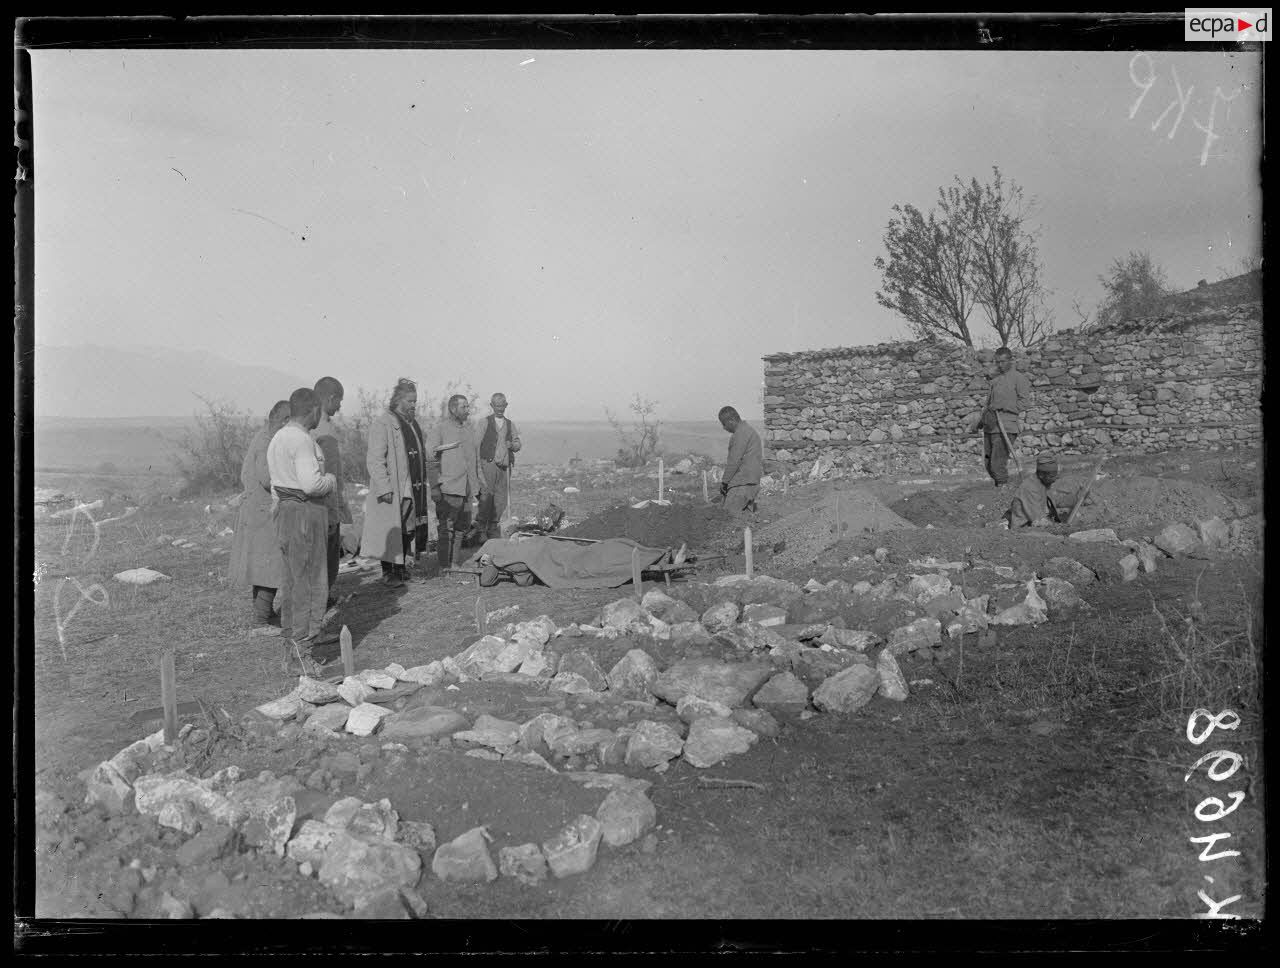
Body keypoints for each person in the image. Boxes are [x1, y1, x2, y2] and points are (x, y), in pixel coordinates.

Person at [266, 387, 338, 673]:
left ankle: (291, 648)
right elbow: (311, 485)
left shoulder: (279, 437)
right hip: (306, 512)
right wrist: (330, 480)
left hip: (286, 511)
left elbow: (275, 486)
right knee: (311, 581)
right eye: (318, 410)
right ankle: (303, 654)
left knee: (294, 582)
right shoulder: (302, 441)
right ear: (312, 410)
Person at [359, 378, 432, 588]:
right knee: (390, 528)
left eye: (415, 401)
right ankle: (388, 572)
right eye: (410, 401)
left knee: (407, 528)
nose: (413, 405)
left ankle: (401, 568)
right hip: (394, 488)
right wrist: (384, 487)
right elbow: (375, 459)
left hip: (411, 487)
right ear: (398, 400)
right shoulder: (384, 423)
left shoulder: (412, 423)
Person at [229, 399, 291, 627]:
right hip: (263, 513)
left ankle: (264, 613)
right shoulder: (268, 441)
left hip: (260, 511)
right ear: (285, 421)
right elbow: (267, 478)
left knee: (265, 566)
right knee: (270, 567)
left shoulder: (264, 435)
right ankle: (261, 618)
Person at [427, 393, 482, 570]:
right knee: (446, 529)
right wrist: (435, 487)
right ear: (453, 409)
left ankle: (454, 563)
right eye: (464, 407)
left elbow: (473, 460)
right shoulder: (440, 430)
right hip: (448, 488)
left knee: (461, 528)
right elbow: (430, 459)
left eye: (468, 406)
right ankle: (444, 567)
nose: (468, 410)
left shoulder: (469, 430)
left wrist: (477, 487)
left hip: (466, 488)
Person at [311, 376, 352, 607]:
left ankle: (323, 598)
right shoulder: (319, 428)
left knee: (330, 559)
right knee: (325, 559)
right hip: (324, 503)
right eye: (339, 401)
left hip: (332, 500)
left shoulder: (322, 425)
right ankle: (319, 603)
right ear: (330, 398)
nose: (339, 407)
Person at [980, 346, 1033, 489]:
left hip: (1007, 426)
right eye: (997, 362)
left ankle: (1003, 492)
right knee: (988, 463)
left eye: (1002, 362)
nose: (999, 365)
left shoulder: (1019, 379)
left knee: (997, 462)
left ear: (1011, 360)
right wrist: (981, 422)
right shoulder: (995, 380)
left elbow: (1024, 403)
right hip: (991, 426)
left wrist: (1004, 405)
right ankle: (1001, 488)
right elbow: (989, 404)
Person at [474, 392, 522, 540]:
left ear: (506, 405)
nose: (500, 408)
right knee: (486, 496)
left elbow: (518, 443)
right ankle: (481, 529)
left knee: (500, 498)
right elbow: (475, 445)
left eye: (502, 405)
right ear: (492, 406)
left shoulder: (510, 424)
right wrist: (477, 468)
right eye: (497, 406)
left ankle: (493, 527)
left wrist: (512, 445)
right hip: (488, 464)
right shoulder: (484, 422)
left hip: (504, 467)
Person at [717, 406, 763, 514]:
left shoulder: (740, 434)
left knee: (727, 518)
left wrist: (724, 482)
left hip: (742, 483)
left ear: (731, 420)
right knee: (743, 522)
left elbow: (734, 462)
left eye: (724, 424)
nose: (724, 428)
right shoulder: (748, 430)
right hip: (751, 482)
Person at [1006, 452, 1064, 528]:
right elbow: (1038, 520)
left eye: (1055, 475)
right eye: (1052, 476)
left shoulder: (1042, 484)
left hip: (1036, 523)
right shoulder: (1030, 489)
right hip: (1023, 528)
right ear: (1041, 475)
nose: (1054, 479)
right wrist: (1059, 527)